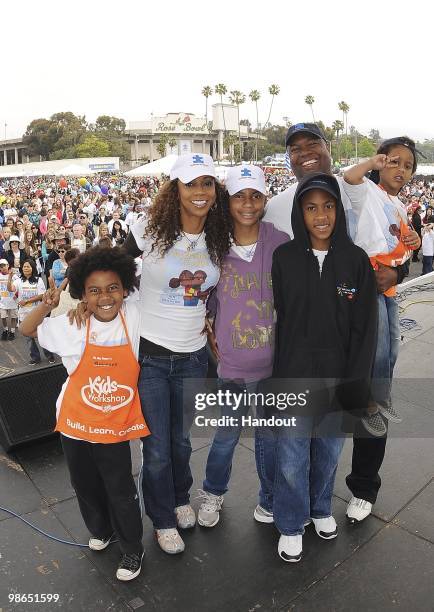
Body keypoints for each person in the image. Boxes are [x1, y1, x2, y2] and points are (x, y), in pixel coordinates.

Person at [264, 123, 420, 524]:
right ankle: (287, 499)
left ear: (328, 148)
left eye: (312, 144)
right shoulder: (277, 204)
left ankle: (363, 484)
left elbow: (387, 245)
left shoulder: (353, 188)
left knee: (374, 392)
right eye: (295, 148)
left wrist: (396, 275)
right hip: (311, 337)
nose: (305, 153)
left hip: (366, 306)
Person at [20, 247, 150, 582]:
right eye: (94, 291)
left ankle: (132, 548)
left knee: (119, 487)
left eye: (112, 288)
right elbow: (27, 330)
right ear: (83, 294)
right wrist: (47, 306)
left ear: (124, 289)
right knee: (85, 484)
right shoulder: (72, 324)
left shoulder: (134, 314)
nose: (105, 297)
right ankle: (101, 530)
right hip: (75, 422)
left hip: (114, 425)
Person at [124, 153, 231, 554]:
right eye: (191, 184)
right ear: (176, 190)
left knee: (182, 441)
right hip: (150, 355)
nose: (200, 192)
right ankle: (162, 519)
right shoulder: (146, 230)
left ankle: (181, 498)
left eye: (207, 183)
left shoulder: (221, 237)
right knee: (156, 447)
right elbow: (110, 269)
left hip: (193, 355)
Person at [271, 173, 377, 562]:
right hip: (293, 375)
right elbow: (279, 317)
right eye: (311, 207)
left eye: (328, 206)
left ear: (338, 211)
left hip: (338, 374)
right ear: (300, 212)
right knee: (292, 455)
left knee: (329, 451)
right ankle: (290, 522)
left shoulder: (355, 260)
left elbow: (366, 329)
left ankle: (319, 509)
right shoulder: (283, 258)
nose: (321, 216)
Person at [196, 165, 288, 527]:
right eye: (239, 195)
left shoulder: (279, 241)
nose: (247, 203)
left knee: (269, 438)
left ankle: (268, 499)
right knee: (226, 436)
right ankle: (213, 494)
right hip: (232, 367)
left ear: (265, 200)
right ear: (227, 201)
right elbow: (204, 299)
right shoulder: (213, 246)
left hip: (272, 366)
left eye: (255, 195)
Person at [342, 137, 420, 521]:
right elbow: (350, 177)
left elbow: (402, 248)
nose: (401, 170)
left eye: (408, 165)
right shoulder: (367, 191)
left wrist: (411, 245)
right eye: (394, 161)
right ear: (380, 162)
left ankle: (364, 483)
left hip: (387, 290)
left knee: (386, 362)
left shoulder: (399, 205)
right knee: (371, 366)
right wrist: (370, 162)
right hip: (361, 288)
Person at [7, 259, 54, 364]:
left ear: (32, 268)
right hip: (24, 314)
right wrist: (9, 277)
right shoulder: (19, 280)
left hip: (36, 313)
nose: (26, 268)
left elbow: (42, 295)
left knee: (41, 335)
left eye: (28, 266)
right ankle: (35, 357)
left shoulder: (38, 280)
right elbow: (10, 289)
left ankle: (49, 355)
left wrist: (27, 300)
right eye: (24, 266)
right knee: (28, 338)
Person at [0, 258, 19, 340]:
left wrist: (17, 295)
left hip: (13, 300)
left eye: (5, 265)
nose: (3, 267)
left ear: (8, 265)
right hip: (3, 301)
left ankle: (12, 332)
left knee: (13, 317)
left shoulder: (14, 276)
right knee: (3, 317)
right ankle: (5, 330)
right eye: (1, 266)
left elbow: (19, 286)